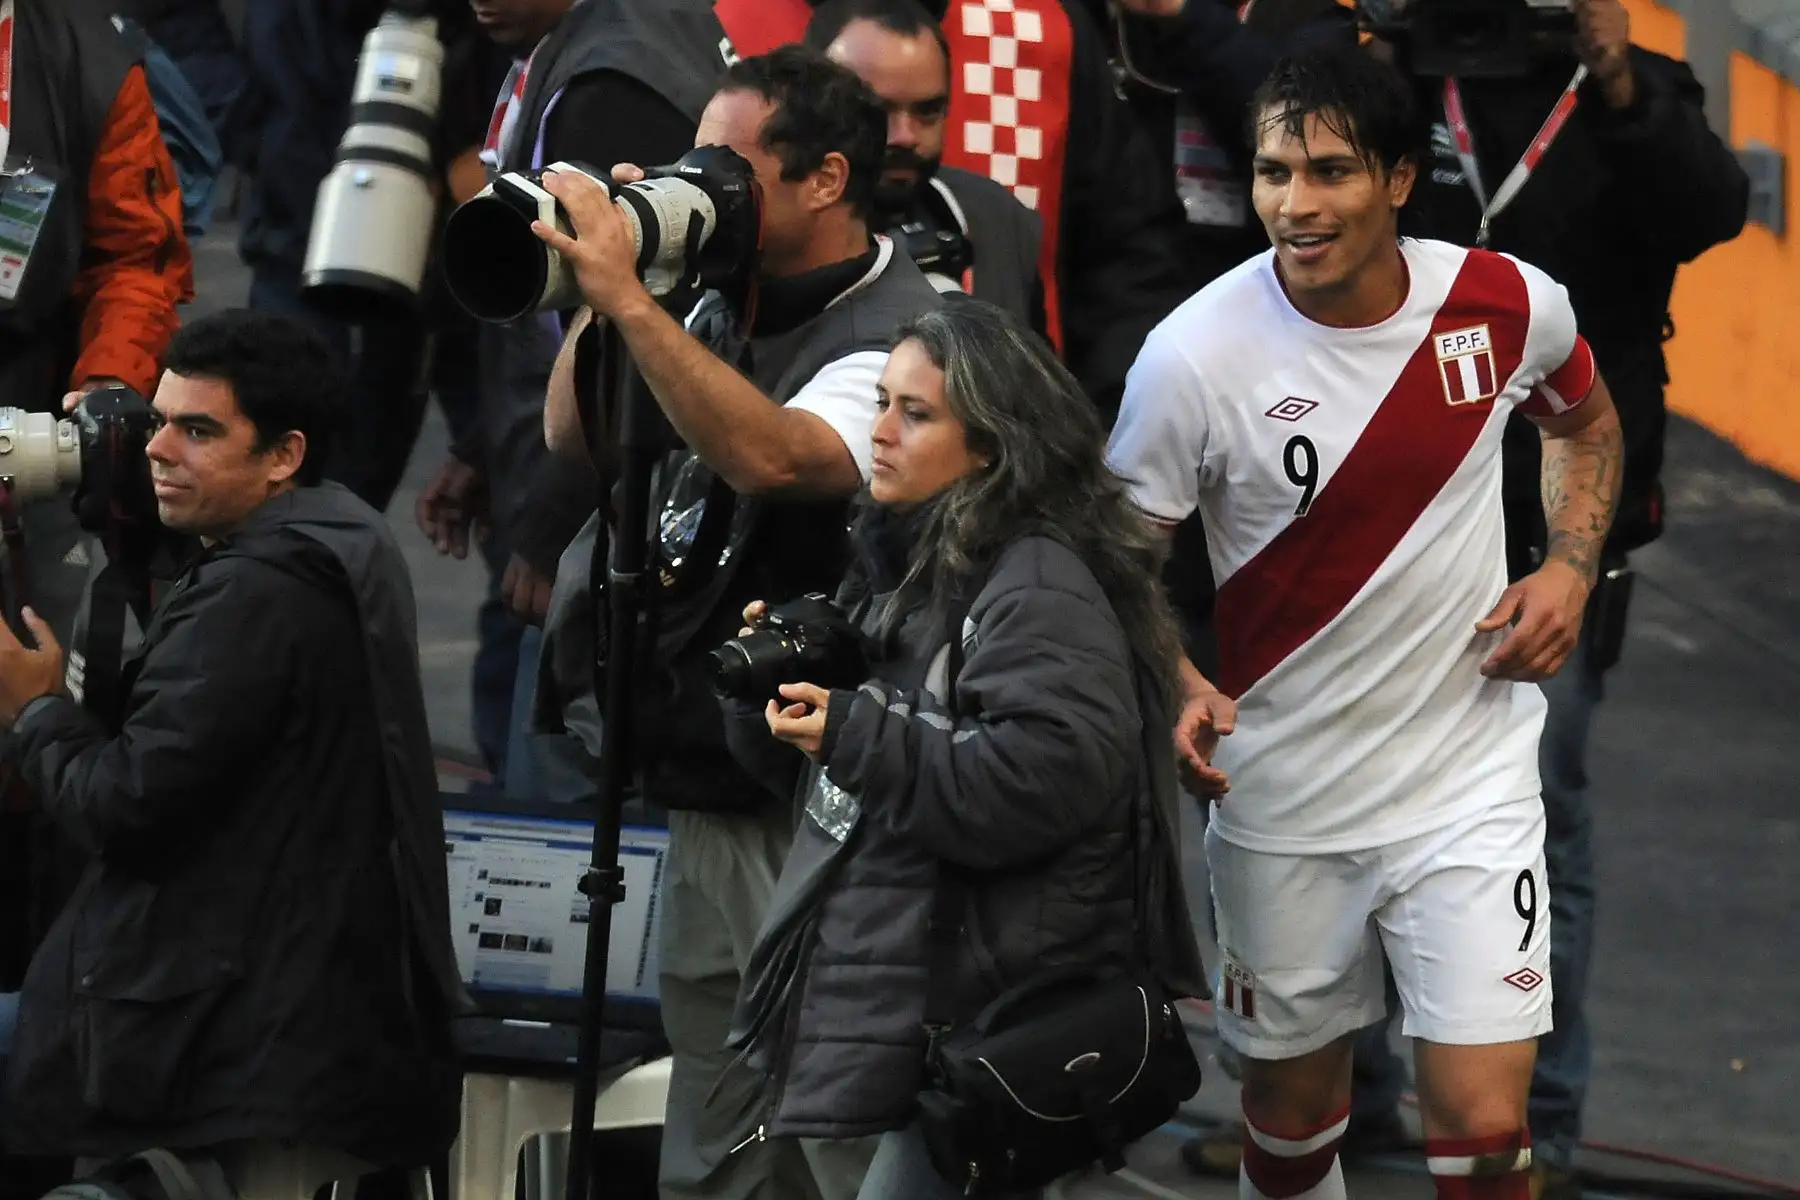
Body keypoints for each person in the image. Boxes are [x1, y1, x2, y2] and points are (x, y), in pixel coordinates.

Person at [1106, 45, 1625, 1200]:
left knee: (1488, 1136)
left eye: (1331, 172)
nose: (1295, 206)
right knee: (1291, 1128)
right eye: (1275, 172)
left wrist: (1572, 568)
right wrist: (1180, 678)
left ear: (1397, 178)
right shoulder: (1192, 356)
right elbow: (1112, 563)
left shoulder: (1504, 304)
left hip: (1467, 786)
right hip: (1282, 799)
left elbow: (1584, 425)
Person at [1341, 6, 1751, 1193]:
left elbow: (1712, 211)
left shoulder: (1630, 90)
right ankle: (1354, 1091)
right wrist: (1365, 65)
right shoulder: (1391, 79)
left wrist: (1615, 71)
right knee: (1350, 801)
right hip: (1393, 512)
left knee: (1542, 805)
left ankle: (1545, 1116)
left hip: (1568, 518)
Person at [534, 46, 942, 1200]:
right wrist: (627, 271)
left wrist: (627, 295)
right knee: (718, 1121)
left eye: (726, 163)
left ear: (823, 179)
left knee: (832, 1103)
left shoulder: (904, 331)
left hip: (816, 798)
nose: (698, 181)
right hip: (707, 767)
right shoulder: (715, 296)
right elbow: (578, 436)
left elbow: (777, 457)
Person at [718, 300, 1206, 1200]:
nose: (881, 433)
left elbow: (1041, 783)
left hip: (989, 1018)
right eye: (882, 404)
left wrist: (854, 729)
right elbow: (848, 785)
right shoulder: (913, 556)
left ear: (991, 446)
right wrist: (778, 705)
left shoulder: (1038, 581)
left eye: (917, 413)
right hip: (924, 1002)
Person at [0, 309, 464, 1179]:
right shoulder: (343, 537)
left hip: (236, 1037)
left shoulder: (258, 594)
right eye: (159, 421)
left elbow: (125, 805)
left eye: (199, 431)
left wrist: (31, 711)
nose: (156, 450)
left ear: (283, 454)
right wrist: (133, 536)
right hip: (287, 1011)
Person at [413, 0, 726, 797]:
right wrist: (487, 447)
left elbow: (630, 326)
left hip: (603, 532)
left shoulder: (610, 84)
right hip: (593, 503)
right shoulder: (611, 35)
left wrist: (555, 518)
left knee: (561, 822)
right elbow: (542, 315)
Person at [0, 0, 194, 643]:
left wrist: (108, 386)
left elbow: (135, 258)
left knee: (27, 673)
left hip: (27, 420)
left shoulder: (87, 60)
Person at [804, 0, 1045, 326]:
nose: (905, 136)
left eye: (928, 111)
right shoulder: (771, 231)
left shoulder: (998, 224)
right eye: (878, 111)